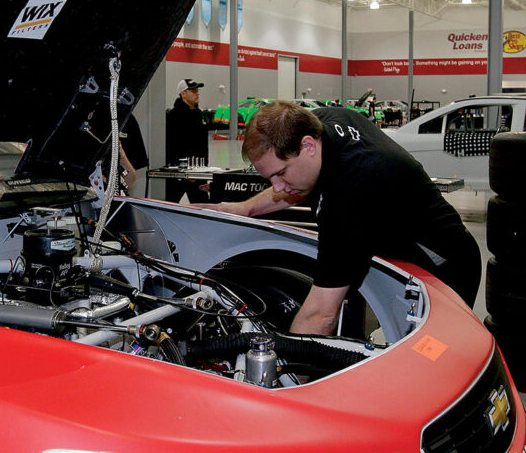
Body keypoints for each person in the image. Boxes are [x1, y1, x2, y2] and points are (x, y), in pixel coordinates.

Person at [201, 101, 481, 335]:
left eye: (281, 173)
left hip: (444, 269)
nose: (276, 187)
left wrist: (283, 376)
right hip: (400, 253)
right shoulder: (319, 123)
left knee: (432, 359)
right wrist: (244, 209)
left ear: (308, 146)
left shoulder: (351, 195)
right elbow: (299, 186)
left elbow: (320, 315)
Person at [165, 78, 209, 203]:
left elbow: (202, 145)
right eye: (193, 90)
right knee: (168, 205)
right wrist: (185, 171)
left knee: (203, 208)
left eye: (197, 90)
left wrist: (203, 166)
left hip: (199, 170)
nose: (197, 93)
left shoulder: (198, 115)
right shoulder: (173, 116)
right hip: (180, 172)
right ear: (183, 94)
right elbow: (172, 145)